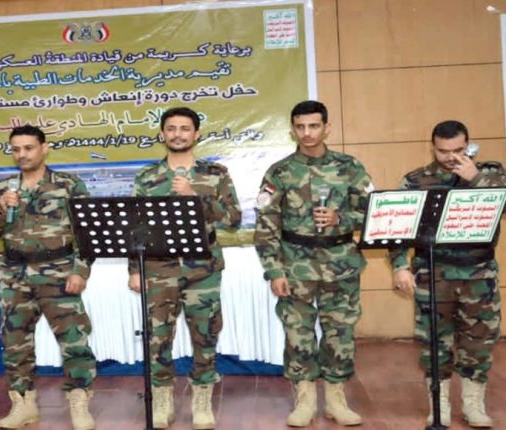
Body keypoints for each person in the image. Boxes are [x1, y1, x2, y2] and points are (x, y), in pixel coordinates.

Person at [253, 100, 373, 427]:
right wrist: (274, 270)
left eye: (314, 126)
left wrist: (340, 218)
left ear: (326, 128)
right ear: (293, 129)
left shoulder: (349, 167)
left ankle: (335, 399)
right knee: (298, 332)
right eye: (300, 126)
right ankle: (304, 398)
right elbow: (266, 225)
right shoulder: (279, 172)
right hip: (296, 264)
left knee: (340, 331)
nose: (307, 133)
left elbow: (372, 211)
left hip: (341, 263)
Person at [128, 106, 242, 429]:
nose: (178, 134)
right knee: (158, 337)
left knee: (205, 334)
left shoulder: (215, 174)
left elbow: (234, 218)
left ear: (197, 134)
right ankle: (162, 398)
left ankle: (202, 397)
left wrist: (196, 198)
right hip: (158, 269)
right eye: (171, 129)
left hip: (202, 270)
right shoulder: (147, 177)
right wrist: (134, 270)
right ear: (162, 134)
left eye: (185, 129)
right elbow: (135, 227)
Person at [389, 120, 504, 428]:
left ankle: (473, 405)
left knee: (479, 342)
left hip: (479, 274)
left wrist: (476, 178)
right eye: (443, 151)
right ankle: (438, 406)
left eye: (458, 150)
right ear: (433, 147)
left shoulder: (492, 173)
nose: (451, 157)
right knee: (434, 343)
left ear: (469, 145)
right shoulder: (416, 180)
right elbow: (398, 227)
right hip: (433, 273)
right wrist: (400, 266)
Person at [0, 125, 96, 430]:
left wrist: (80, 271)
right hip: (14, 274)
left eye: (28, 148)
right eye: (16, 149)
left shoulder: (68, 185)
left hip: (59, 271)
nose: (22, 154)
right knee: (15, 341)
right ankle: (23, 404)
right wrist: (2, 208)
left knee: (73, 339)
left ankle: (79, 401)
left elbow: (87, 234)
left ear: (44, 149)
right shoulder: (3, 188)